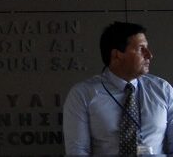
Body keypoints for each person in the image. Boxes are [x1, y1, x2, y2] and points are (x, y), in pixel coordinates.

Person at [63, 21, 173, 155]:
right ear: (117, 55)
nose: (149, 55)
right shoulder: (83, 94)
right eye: (141, 49)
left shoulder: (163, 90)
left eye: (147, 48)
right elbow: (77, 152)